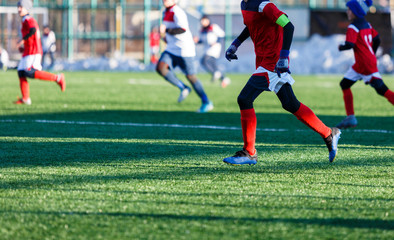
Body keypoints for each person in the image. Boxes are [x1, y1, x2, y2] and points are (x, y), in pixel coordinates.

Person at [223, 0, 341, 165]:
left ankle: (249, 153)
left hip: (273, 62)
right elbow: (252, 25)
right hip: (264, 60)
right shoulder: (245, 4)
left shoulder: (263, 4)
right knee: (290, 104)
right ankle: (329, 134)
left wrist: (284, 57)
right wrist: (236, 44)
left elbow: (288, 26)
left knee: (244, 98)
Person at [336, 0, 394, 129]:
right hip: (364, 63)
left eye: (349, 9)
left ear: (354, 11)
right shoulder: (367, 24)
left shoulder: (353, 27)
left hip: (364, 65)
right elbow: (377, 39)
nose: (347, 12)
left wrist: (341, 47)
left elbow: (350, 44)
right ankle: (350, 118)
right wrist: (371, 53)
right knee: (344, 84)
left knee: (382, 90)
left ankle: (351, 117)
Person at [156, 0, 213, 113]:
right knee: (160, 68)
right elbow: (166, 32)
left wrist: (166, 30)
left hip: (184, 49)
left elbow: (182, 29)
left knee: (191, 77)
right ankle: (183, 87)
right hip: (171, 48)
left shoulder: (177, 11)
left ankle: (206, 102)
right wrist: (164, 36)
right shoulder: (165, 12)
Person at [15, 0, 65, 105]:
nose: (19, 9)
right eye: (18, 7)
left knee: (29, 72)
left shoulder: (29, 19)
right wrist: (24, 47)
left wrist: (22, 40)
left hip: (34, 51)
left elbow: (33, 30)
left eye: (21, 7)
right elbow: (31, 36)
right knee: (21, 72)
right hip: (28, 51)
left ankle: (58, 78)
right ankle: (25, 98)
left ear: (27, 8)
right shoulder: (24, 20)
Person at [195, 15, 230, 88]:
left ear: (208, 20)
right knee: (211, 64)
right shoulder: (202, 30)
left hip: (214, 48)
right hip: (207, 48)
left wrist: (215, 42)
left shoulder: (213, 27)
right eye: (202, 21)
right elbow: (202, 41)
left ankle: (216, 73)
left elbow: (221, 35)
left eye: (205, 20)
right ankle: (223, 79)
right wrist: (197, 41)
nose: (203, 22)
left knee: (205, 60)